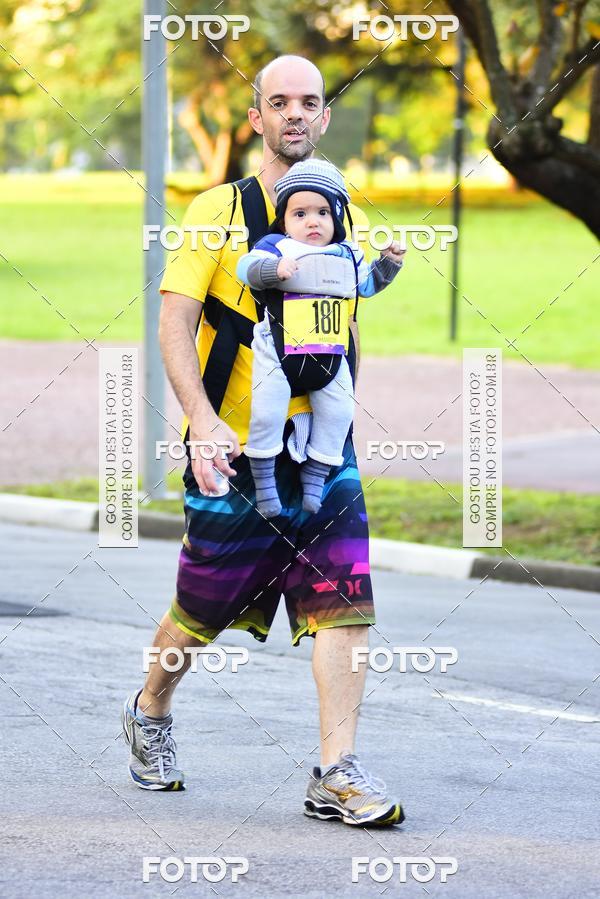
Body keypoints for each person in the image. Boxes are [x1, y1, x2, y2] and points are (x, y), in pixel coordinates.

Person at [121, 54, 405, 826]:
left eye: (309, 102)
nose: (294, 114)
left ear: (324, 117)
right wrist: (203, 422)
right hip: (232, 452)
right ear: (256, 119)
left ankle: (336, 771)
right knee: (201, 607)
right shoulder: (215, 209)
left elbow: (340, 323)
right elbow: (175, 321)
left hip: (320, 453)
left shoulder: (345, 214)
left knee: (345, 603)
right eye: (278, 102)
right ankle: (151, 708)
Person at [237, 158, 404, 517]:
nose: (312, 221)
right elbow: (245, 269)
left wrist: (388, 262)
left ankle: (315, 477)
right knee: (266, 412)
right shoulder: (276, 246)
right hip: (278, 353)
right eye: (300, 214)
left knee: (339, 412)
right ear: (284, 220)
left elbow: (366, 286)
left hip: (329, 353)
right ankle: (265, 485)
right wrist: (272, 269)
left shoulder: (347, 255)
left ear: (337, 218)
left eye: (323, 212)